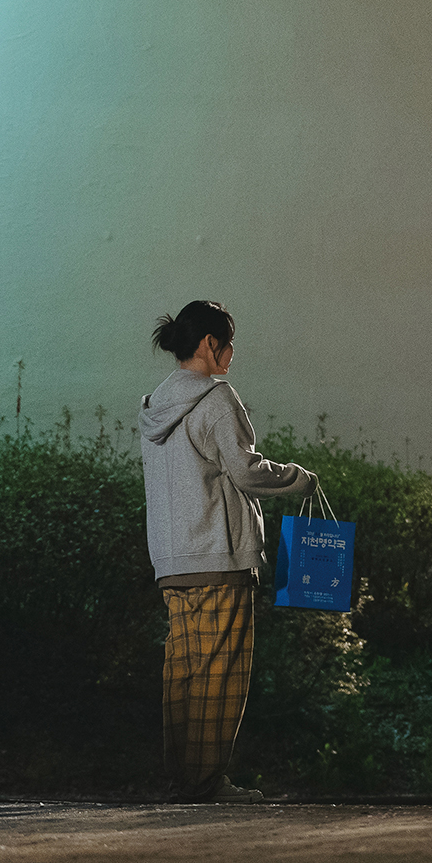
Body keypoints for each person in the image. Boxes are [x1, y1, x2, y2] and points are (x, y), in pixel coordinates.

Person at [139, 299, 316, 804]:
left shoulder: (155, 404)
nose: (233, 353)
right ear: (210, 345)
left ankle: (182, 780)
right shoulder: (217, 399)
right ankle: (207, 783)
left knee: (183, 672)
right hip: (218, 556)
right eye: (228, 342)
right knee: (220, 672)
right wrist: (298, 479)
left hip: (173, 563)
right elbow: (245, 471)